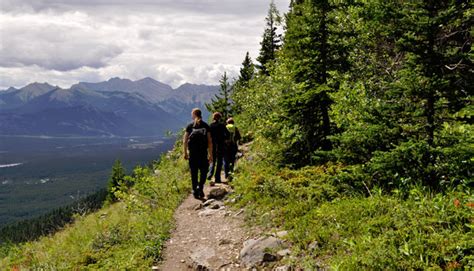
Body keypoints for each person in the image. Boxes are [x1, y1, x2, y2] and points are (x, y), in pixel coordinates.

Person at [183, 108, 213, 199]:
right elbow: (209, 141)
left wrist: (185, 153)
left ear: (194, 114)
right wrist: (210, 154)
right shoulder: (206, 126)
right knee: (204, 172)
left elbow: (185, 141)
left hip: (193, 154)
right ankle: (200, 187)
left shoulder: (190, 126)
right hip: (203, 153)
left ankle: (195, 190)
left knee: (194, 172)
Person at [207, 112, 229, 184]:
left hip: (212, 145)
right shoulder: (222, 125)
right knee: (219, 162)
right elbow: (228, 135)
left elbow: (208, 136)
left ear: (213, 117)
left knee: (213, 161)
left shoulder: (210, 125)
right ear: (220, 118)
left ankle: (210, 174)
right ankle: (217, 178)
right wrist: (224, 138)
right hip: (221, 145)